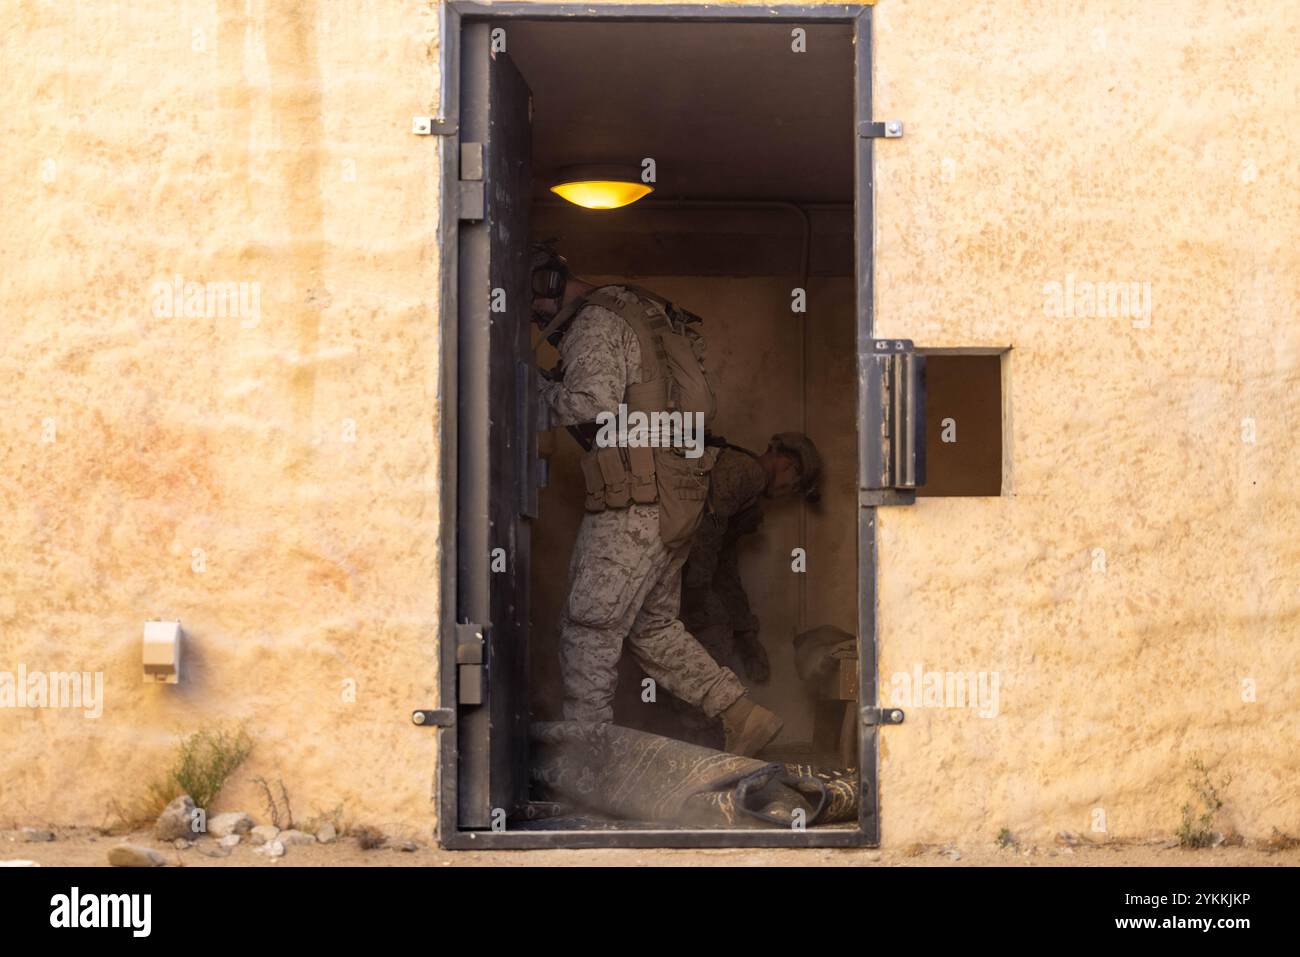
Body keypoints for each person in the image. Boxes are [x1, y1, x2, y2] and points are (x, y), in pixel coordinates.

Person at [531, 243, 784, 757]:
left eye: (533, 305)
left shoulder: (597, 319)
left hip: (634, 497)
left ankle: (587, 758)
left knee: (589, 628)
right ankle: (741, 714)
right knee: (653, 627)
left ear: (550, 283)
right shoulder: (643, 311)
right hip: (675, 493)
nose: (537, 319)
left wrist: (527, 392)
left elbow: (591, 402)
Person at [682, 432, 823, 684]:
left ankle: (686, 714)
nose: (788, 492)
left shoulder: (742, 474)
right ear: (789, 466)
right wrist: (696, 595)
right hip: (672, 566)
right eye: (795, 485)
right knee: (712, 634)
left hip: (673, 565)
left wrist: (745, 632)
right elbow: (705, 533)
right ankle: (697, 721)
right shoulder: (748, 473)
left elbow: (723, 564)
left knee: (705, 633)